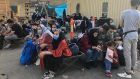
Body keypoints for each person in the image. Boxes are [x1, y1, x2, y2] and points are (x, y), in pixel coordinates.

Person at [117, 0, 140, 78]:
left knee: (127, 54)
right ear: (137, 4)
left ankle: (128, 72)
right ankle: (132, 69)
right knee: (134, 52)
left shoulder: (125, 12)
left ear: (131, 3)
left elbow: (120, 24)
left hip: (128, 34)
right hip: (135, 34)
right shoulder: (139, 13)